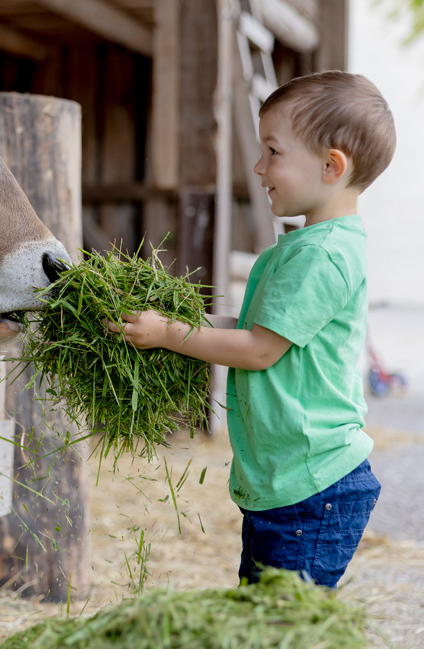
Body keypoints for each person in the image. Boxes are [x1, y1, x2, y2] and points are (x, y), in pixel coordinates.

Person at [109, 71, 396, 588]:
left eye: (273, 152)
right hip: (287, 483)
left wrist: (171, 333)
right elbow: (251, 330)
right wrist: (170, 320)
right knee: (259, 618)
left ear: (332, 166)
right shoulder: (307, 246)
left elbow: (260, 349)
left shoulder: (324, 256)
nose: (259, 167)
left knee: (280, 631)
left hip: (313, 487)